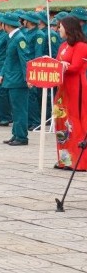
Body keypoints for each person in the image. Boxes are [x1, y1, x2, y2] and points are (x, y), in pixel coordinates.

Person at [55, 16, 87, 169]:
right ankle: (65, 160)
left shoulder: (81, 46)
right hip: (62, 89)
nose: (58, 29)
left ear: (68, 28)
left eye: (60, 26)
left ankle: (79, 161)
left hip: (76, 88)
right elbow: (57, 64)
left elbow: (75, 67)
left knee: (74, 123)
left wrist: (63, 65)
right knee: (61, 123)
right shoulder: (62, 46)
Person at [0, 12, 32, 146]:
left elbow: (25, 60)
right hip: (12, 79)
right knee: (15, 109)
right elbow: (8, 59)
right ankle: (16, 134)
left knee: (20, 109)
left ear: (6, 25)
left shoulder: (20, 38)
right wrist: (2, 74)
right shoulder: (12, 37)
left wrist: (28, 78)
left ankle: (22, 137)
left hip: (18, 81)